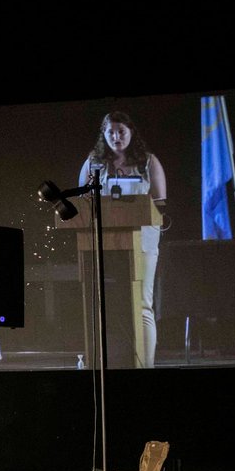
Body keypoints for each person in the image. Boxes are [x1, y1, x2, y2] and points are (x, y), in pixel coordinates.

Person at [78, 111, 168, 368]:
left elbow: (160, 205)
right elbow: (82, 205)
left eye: (121, 132)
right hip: (104, 244)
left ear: (131, 133)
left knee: (142, 304)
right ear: (103, 135)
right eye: (111, 132)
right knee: (104, 303)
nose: (116, 137)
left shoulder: (148, 162)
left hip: (144, 242)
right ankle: (102, 364)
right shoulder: (93, 163)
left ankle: (145, 366)